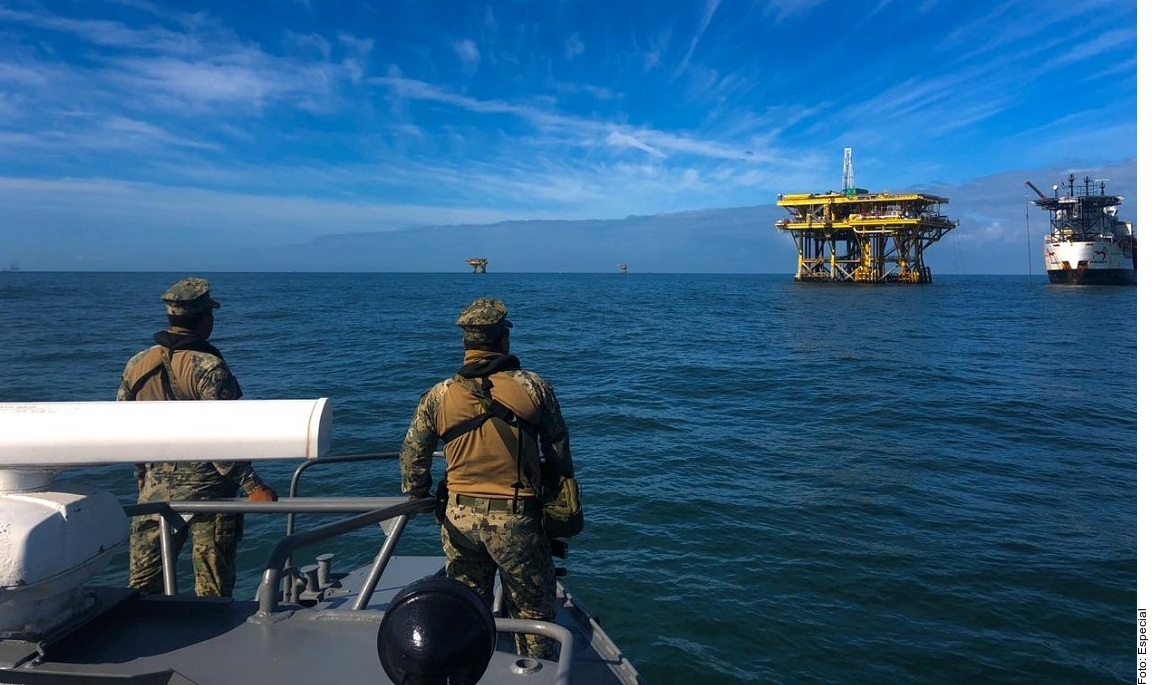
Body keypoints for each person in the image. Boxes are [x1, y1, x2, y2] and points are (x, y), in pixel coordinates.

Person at [399, 297, 576, 660]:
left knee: (466, 609)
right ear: (503, 339)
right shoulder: (534, 387)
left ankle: (470, 669)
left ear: (466, 342)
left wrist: (419, 494)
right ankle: (534, 671)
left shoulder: (439, 395)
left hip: (458, 520)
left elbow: (413, 454)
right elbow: (558, 454)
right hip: (517, 520)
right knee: (532, 615)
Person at [117, 276, 277, 597]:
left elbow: (125, 425)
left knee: (142, 588)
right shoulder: (209, 367)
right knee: (213, 589)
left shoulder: (138, 364)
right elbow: (219, 437)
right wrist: (253, 486)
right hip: (210, 493)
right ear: (205, 318)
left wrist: (140, 472)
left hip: (156, 489)